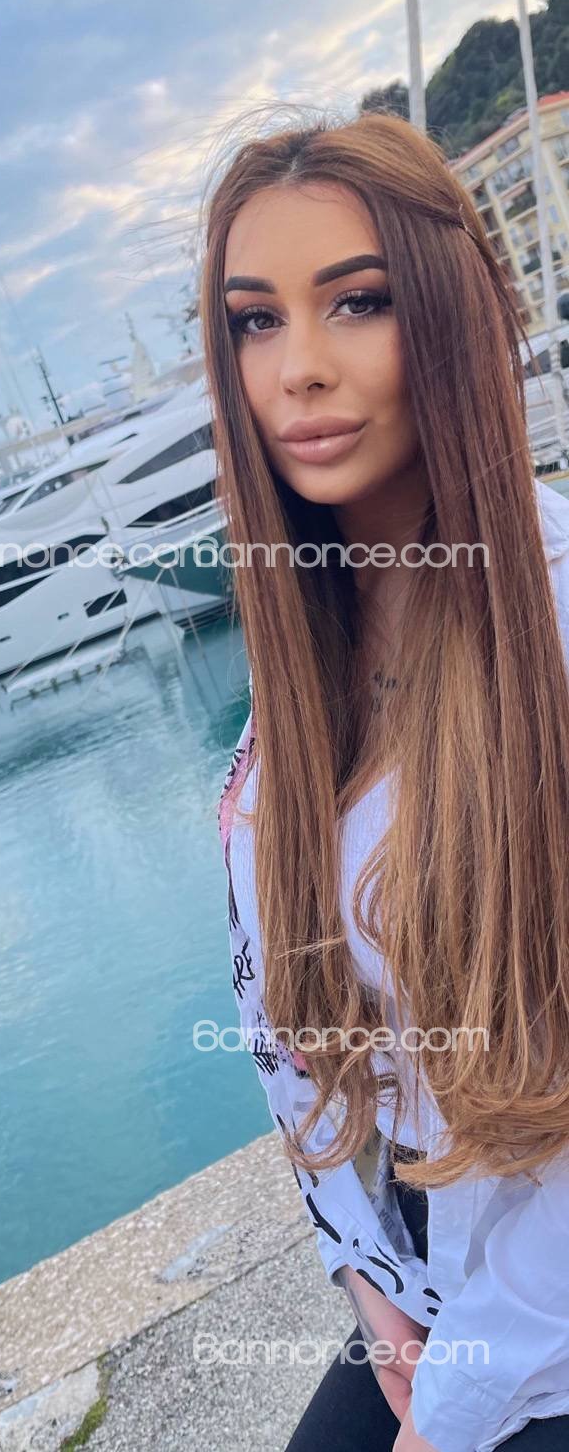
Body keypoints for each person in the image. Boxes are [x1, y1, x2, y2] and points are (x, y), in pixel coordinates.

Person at [200, 106, 569, 1452]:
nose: (299, 369)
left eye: (356, 302)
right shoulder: (310, 645)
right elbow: (285, 1023)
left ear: (452, 314)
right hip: (421, 1280)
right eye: (256, 320)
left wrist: (455, 1406)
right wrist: (363, 1281)